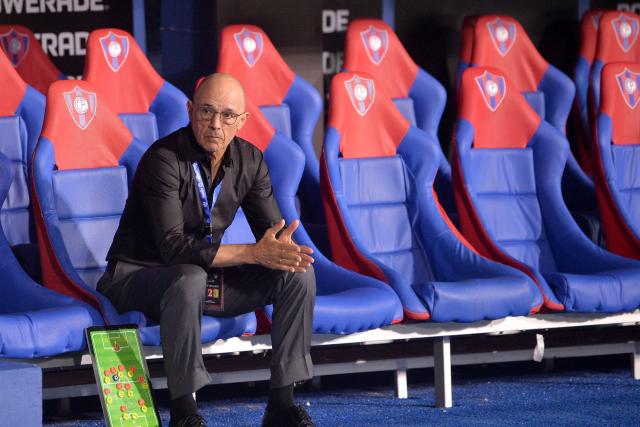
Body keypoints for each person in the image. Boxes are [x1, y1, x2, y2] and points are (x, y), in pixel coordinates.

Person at [97, 73, 316, 427]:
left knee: (297, 276)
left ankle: (281, 405)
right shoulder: (163, 159)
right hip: (136, 277)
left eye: (228, 115)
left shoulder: (250, 161)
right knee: (188, 277)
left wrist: (281, 250)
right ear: (189, 110)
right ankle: (184, 413)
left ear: (242, 121)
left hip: (200, 281)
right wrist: (252, 253)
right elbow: (173, 249)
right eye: (206, 111)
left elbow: (271, 238)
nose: (216, 124)